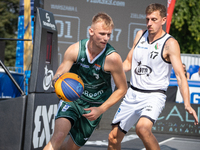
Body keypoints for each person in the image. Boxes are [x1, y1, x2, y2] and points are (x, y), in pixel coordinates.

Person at [108, 3, 198, 150]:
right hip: (133, 94)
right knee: (113, 138)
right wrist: (107, 70)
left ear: (163, 20)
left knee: (142, 129)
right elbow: (128, 63)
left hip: (154, 95)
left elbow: (180, 76)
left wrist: (187, 104)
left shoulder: (170, 43)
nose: (149, 23)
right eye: (147, 19)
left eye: (154, 19)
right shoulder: (140, 35)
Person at [43, 12, 127, 150]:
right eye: (102, 34)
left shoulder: (112, 58)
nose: (106, 38)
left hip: (94, 106)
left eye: (109, 34)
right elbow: (59, 73)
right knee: (58, 137)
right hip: (73, 100)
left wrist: (100, 109)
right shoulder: (75, 50)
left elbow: (122, 89)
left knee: (70, 148)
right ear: (91, 31)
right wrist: (57, 81)